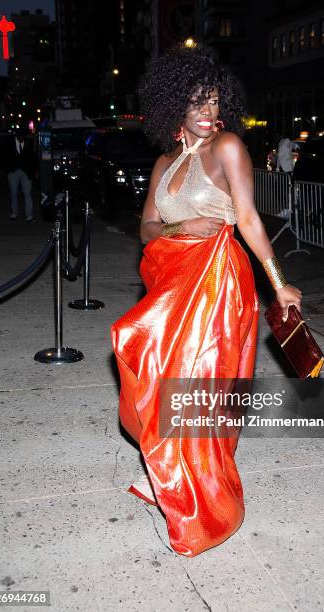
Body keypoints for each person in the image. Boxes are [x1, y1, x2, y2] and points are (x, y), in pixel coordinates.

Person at [111, 45, 302, 557]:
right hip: (173, 284)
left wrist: (278, 281)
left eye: (215, 101)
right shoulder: (164, 162)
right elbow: (148, 229)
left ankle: (205, 503)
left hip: (217, 283)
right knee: (154, 379)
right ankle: (171, 475)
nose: (208, 112)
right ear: (175, 106)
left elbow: (250, 219)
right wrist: (184, 225)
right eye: (197, 102)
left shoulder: (229, 148)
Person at [0, 128, 37, 221]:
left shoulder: (29, 143)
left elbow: (33, 158)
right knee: (13, 193)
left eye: (24, 137)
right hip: (13, 171)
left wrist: (34, 171)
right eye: (20, 137)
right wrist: (7, 169)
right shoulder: (8, 143)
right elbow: (2, 156)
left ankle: (29, 215)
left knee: (27, 193)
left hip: (26, 172)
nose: (22, 139)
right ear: (17, 136)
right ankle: (14, 212)